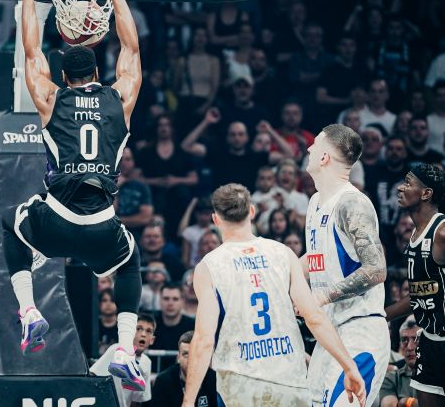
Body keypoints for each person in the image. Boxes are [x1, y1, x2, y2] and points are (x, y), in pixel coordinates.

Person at [2, 0, 144, 390]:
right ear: (98, 75)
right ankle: (124, 349)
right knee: (129, 262)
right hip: (101, 225)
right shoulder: (121, 97)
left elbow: (31, 52)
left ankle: (29, 310)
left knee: (12, 222)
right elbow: (132, 49)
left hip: (56, 221)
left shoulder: (51, 97)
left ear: (63, 77)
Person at [182, 183, 367, 407]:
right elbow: (314, 317)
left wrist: (188, 401)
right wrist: (349, 366)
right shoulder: (282, 253)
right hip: (288, 382)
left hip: (240, 384)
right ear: (252, 211)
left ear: (216, 219)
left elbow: (203, 340)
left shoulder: (209, 266)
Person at [304, 124, 390, 406]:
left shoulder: (352, 203)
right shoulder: (315, 201)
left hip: (359, 330)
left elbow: (376, 269)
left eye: (315, 144)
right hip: (329, 334)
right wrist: (279, 276)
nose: (308, 148)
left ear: (324, 157)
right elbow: (314, 257)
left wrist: (322, 296)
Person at [385, 163, 445, 405]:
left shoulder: (441, 232)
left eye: (408, 183)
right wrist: (380, 316)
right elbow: (420, 295)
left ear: (426, 193)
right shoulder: (415, 234)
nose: (400, 188)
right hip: (429, 340)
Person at [91, 313, 155, 407]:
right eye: (138, 329)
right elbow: (92, 375)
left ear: (152, 340)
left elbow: (135, 400)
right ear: (130, 332)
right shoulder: (116, 350)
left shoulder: (147, 362)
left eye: (148, 331)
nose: (143, 334)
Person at [149, 331, 216, 407]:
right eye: (186, 354)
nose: (191, 360)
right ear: (178, 358)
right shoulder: (163, 381)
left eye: (195, 354)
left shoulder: (214, 380)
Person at [378, 316, 420, 407]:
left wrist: (405, 402)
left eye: (416, 339)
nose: (409, 347)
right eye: (404, 340)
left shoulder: (440, 376)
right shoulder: (391, 378)